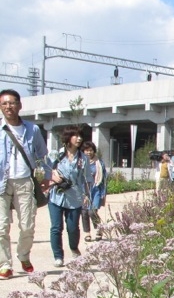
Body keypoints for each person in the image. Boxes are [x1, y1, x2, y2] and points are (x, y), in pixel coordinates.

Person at [0, 88, 48, 278]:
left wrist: (46, 177)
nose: (8, 106)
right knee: (1, 227)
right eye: (4, 103)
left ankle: (23, 255)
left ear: (19, 105)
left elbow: (43, 155)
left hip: (25, 181)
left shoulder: (32, 129)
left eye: (12, 103)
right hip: (1, 182)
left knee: (27, 225)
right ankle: (4, 264)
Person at [47, 126, 90, 267]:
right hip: (56, 196)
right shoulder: (57, 155)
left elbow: (87, 179)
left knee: (72, 228)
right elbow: (45, 169)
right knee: (56, 227)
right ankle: (58, 256)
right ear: (68, 137)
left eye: (80, 136)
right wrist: (53, 175)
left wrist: (86, 195)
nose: (79, 138)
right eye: (75, 135)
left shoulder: (83, 158)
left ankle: (73, 248)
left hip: (75, 198)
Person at [81, 141, 107, 241]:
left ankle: (99, 229)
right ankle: (87, 233)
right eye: (86, 150)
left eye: (90, 150)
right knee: (84, 213)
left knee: (92, 212)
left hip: (95, 189)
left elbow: (104, 179)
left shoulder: (99, 163)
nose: (88, 152)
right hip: (83, 190)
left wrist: (103, 193)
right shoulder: (79, 162)